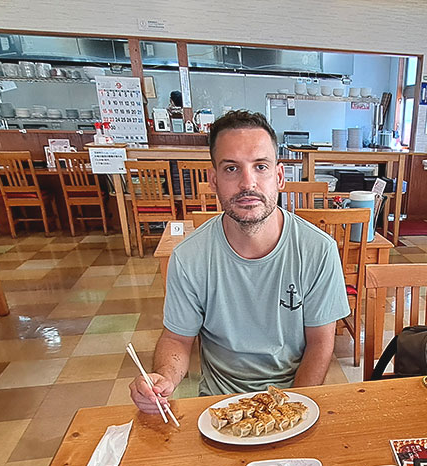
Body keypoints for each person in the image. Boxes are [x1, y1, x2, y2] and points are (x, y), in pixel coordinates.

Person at [130, 110, 350, 414]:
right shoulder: (189, 257)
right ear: (213, 180)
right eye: (231, 168)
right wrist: (162, 378)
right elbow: (177, 339)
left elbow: (320, 345)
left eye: (260, 166)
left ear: (279, 176)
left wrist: (292, 411)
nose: (248, 183)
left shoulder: (318, 250)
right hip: (219, 406)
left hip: (291, 398)